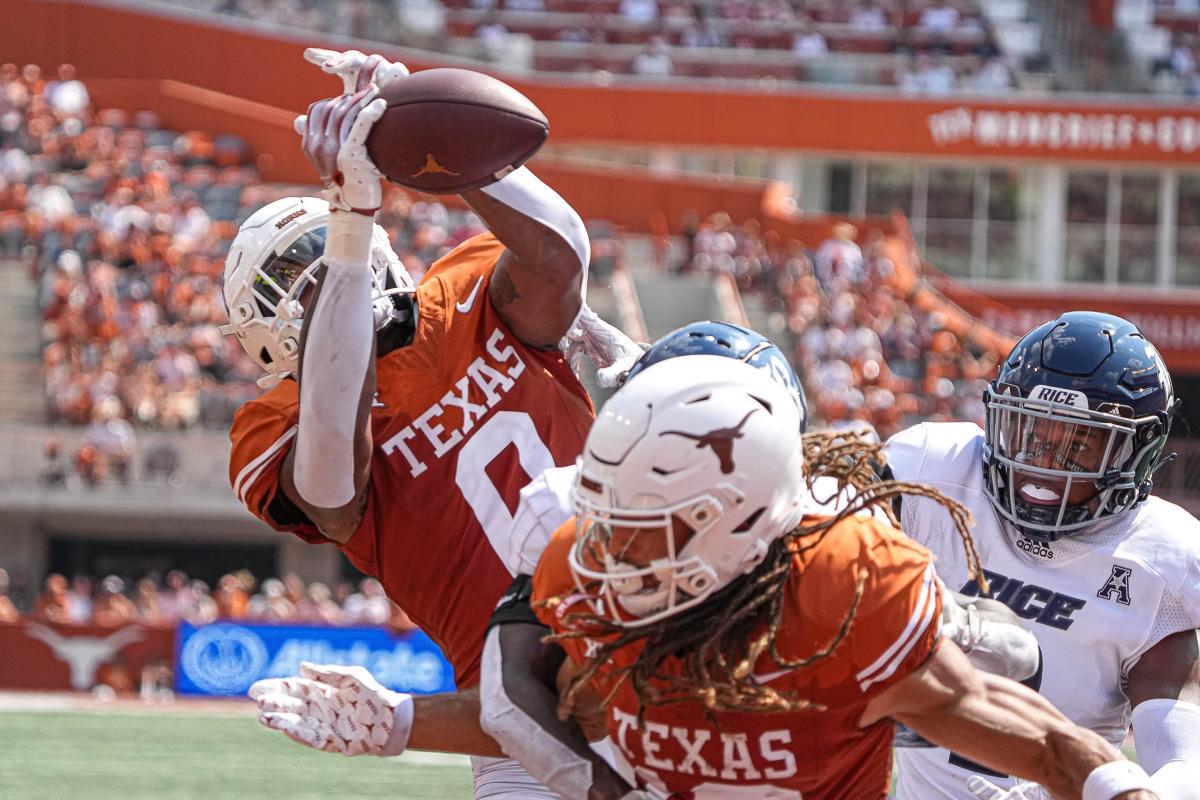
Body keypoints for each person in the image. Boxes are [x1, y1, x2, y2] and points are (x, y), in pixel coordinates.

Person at [227, 47, 636, 798]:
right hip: (520, 715)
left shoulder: (465, 292)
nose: (312, 279)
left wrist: (434, 135)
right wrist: (346, 230)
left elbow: (560, 257)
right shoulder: (272, 422)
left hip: (647, 633)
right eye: (292, 277)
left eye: (315, 256)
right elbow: (330, 481)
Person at [478, 355, 1159, 800]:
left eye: (647, 527)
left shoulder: (844, 587)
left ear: (744, 521)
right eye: (606, 516)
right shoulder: (579, 564)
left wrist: (1121, 786)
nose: (610, 552)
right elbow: (523, 701)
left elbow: (1034, 738)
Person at [887, 311, 1200, 800]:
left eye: (1078, 444)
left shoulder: (1163, 560)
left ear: (1135, 454)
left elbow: (1184, 759)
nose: (1042, 465)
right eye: (1030, 433)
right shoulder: (932, 472)